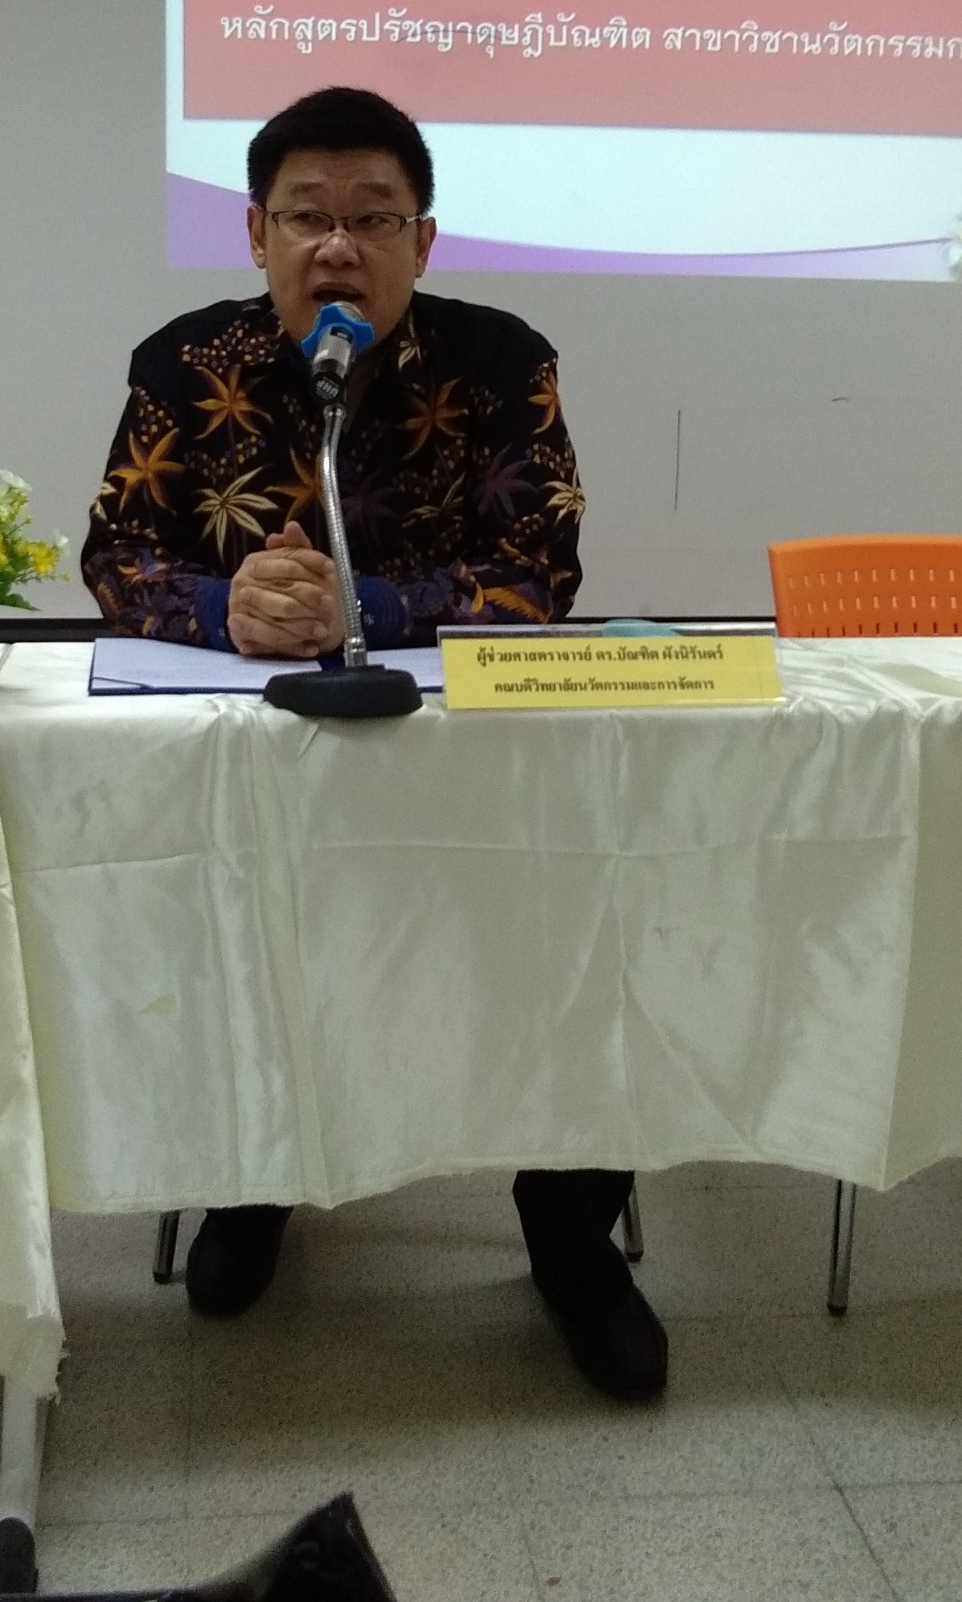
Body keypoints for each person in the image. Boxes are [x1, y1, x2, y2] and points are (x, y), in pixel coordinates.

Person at [82, 85, 667, 1401]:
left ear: (423, 239)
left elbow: (539, 571)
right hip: (261, 767)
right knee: (233, 926)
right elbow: (115, 560)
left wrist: (365, 610)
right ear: (256, 233)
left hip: (472, 767)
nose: (337, 247)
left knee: (579, 924)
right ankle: (253, 1177)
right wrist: (225, 609)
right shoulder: (183, 364)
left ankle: (569, 1232)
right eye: (307, 218)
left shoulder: (501, 360)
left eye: (373, 219)